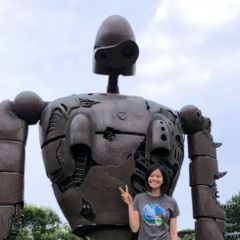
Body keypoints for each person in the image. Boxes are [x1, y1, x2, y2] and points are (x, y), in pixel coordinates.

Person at [119, 164, 179, 240]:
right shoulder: (139, 198)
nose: (154, 178)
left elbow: (173, 233)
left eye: (158, 176)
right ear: (148, 178)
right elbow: (135, 228)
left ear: (163, 180)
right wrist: (130, 204)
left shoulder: (171, 202)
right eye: (151, 176)